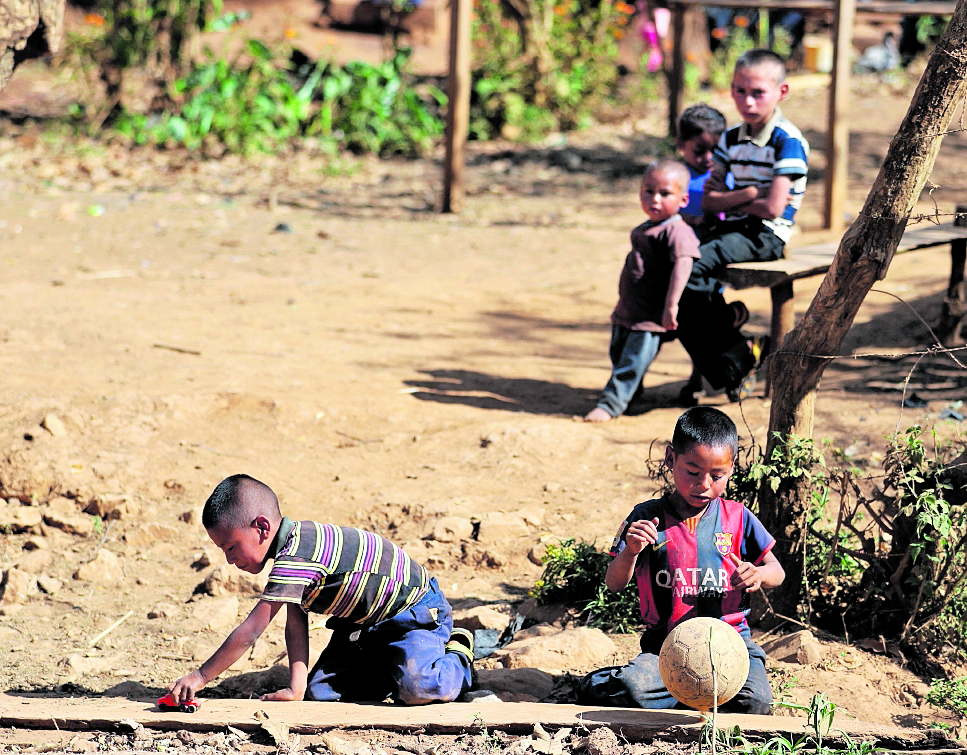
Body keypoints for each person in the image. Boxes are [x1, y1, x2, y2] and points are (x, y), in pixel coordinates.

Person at [166, 474, 474, 705]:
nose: (228, 559)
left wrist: (200, 676)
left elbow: (250, 632)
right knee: (321, 694)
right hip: (364, 628)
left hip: (413, 613)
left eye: (231, 546)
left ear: (261, 527)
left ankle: (458, 650)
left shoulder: (298, 555)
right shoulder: (292, 555)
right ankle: (392, 666)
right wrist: (296, 689)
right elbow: (296, 625)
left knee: (419, 689)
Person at [578, 406, 785, 713]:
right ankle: (606, 683)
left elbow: (777, 571)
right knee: (633, 689)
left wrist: (759, 574)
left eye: (717, 476)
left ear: (732, 467)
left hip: (731, 645)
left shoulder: (738, 518)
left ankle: (683, 696)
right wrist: (631, 551)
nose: (703, 484)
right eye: (692, 472)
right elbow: (614, 583)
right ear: (670, 458)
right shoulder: (646, 518)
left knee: (755, 701)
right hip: (667, 647)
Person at [677, 49, 809, 401]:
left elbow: (774, 208)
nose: (746, 101)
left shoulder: (788, 141)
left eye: (757, 93)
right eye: (739, 91)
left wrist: (737, 199)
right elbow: (709, 200)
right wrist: (752, 192)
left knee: (690, 267)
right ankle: (739, 346)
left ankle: (731, 357)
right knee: (675, 272)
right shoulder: (730, 139)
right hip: (737, 229)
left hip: (767, 236)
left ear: (781, 92)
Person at [584, 158, 700, 422]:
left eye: (665, 193)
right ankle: (631, 395)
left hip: (650, 315)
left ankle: (610, 405)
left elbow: (683, 265)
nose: (655, 199)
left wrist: (672, 306)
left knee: (631, 362)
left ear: (683, 200)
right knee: (618, 353)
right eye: (648, 191)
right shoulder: (648, 227)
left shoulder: (677, 231)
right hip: (629, 308)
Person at [675, 104, 748, 406]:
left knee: (698, 316)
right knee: (689, 320)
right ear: (681, 145)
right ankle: (734, 322)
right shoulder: (673, 178)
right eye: (699, 150)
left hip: (705, 266)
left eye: (714, 151)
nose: (707, 158)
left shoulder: (724, 179)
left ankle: (726, 370)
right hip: (677, 262)